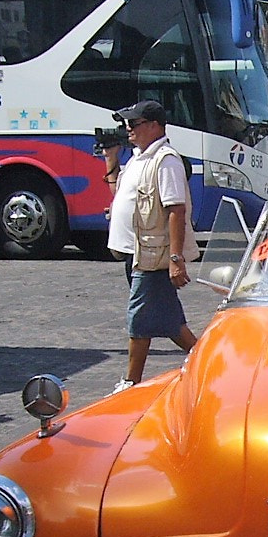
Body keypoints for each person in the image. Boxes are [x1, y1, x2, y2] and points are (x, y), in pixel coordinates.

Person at [105, 99, 198, 392]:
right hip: (136, 252)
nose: (128, 129)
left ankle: (130, 382)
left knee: (139, 316)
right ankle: (206, 362)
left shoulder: (166, 160)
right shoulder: (137, 158)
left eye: (134, 124)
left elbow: (176, 210)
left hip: (153, 254)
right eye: (127, 124)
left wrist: (175, 257)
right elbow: (121, 194)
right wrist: (110, 160)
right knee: (169, 322)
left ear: (155, 126)